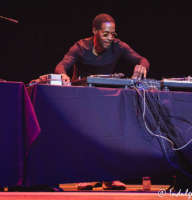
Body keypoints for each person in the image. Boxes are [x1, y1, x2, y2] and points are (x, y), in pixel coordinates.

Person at [55, 13, 150, 190]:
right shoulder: (81, 47)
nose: (109, 38)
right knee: (86, 133)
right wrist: (62, 75)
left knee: (113, 133)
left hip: (105, 97)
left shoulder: (118, 45)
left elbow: (142, 59)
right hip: (83, 97)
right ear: (95, 31)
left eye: (112, 34)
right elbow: (62, 65)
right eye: (105, 34)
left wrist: (142, 65)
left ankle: (111, 177)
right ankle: (84, 176)